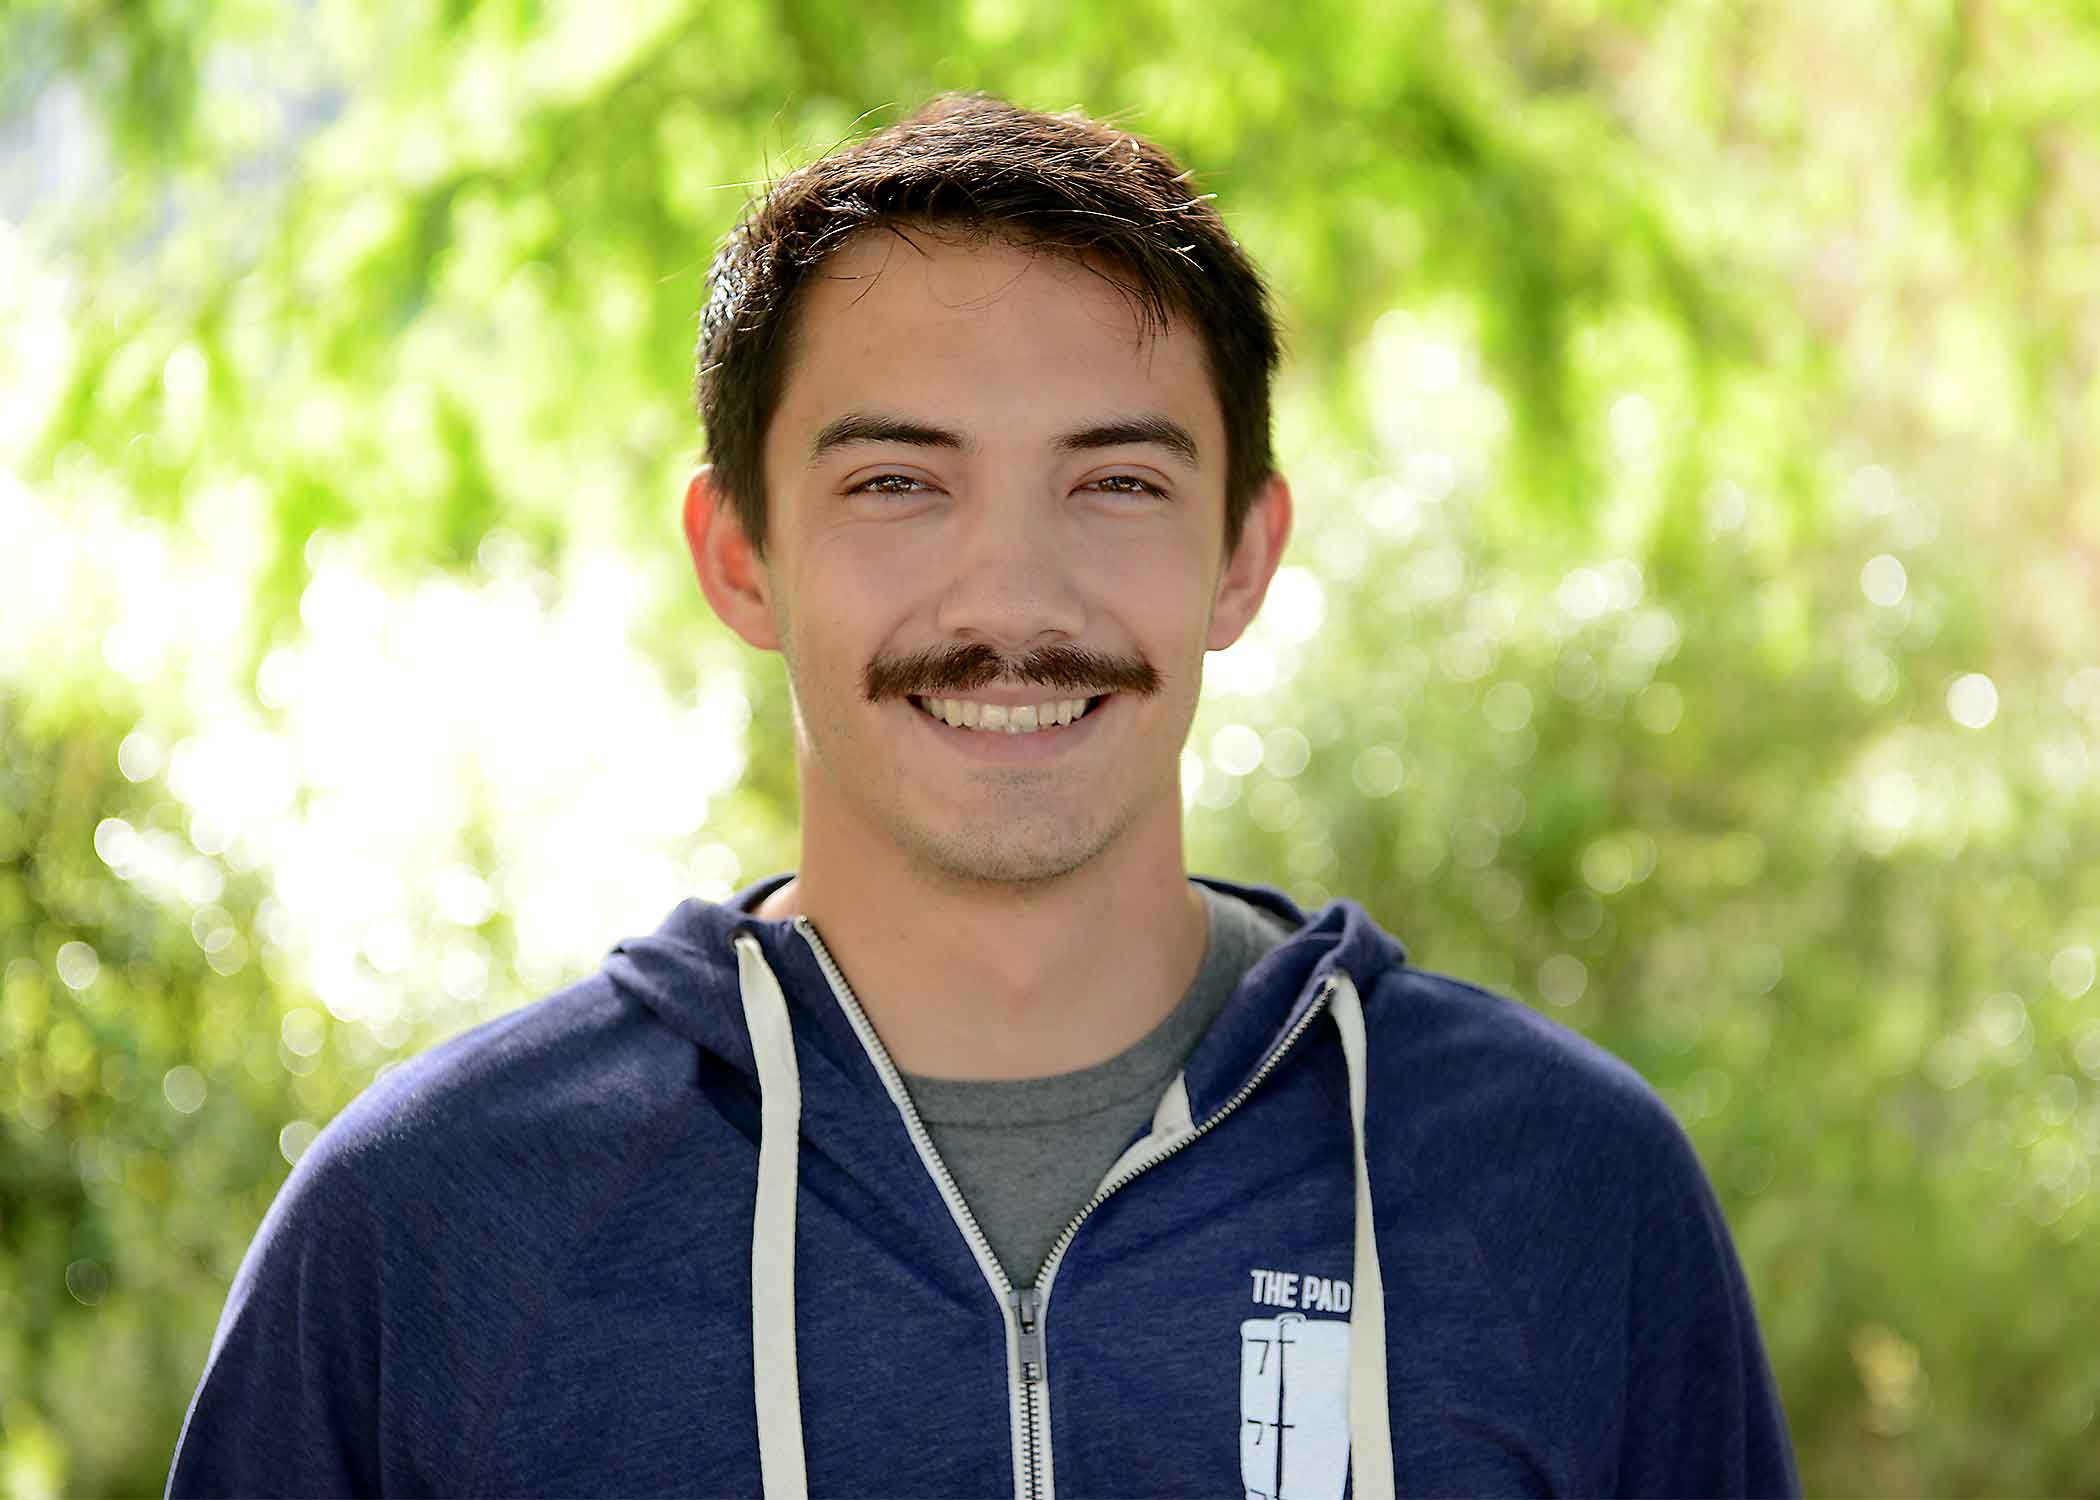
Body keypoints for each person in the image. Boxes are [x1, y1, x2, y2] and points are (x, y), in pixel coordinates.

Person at [168, 94, 1798, 1498]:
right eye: (897, 482)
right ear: (740, 556)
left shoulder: (1562, 1191)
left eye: (1115, 482)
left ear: (1244, 554)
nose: (1010, 594)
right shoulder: (435, 1225)